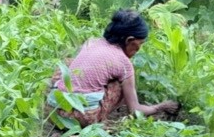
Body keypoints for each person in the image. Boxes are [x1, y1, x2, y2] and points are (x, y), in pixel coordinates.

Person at [48, 9, 180, 126]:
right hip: (81, 118)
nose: (139, 49)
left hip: (52, 113)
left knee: (69, 63)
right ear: (130, 40)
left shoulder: (91, 42)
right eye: (140, 44)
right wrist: (160, 107)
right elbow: (135, 110)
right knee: (119, 84)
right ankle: (97, 119)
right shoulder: (124, 63)